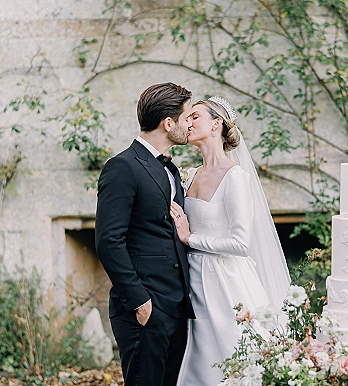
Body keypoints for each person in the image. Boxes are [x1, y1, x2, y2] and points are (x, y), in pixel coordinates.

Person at [171, 96, 291, 385]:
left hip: (225, 282)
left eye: (194, 116)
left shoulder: (235, 177)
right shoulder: (189, 176)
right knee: (197, 361)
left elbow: (240, 243)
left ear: (216, 124)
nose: (187, 122)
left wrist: (190, 238)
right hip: (192, 282)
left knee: (231, 355)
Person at [95, 82, 196, 386]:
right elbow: (108, 240)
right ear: (169, 123)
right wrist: (140, 301)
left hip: (176, 307)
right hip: (145, 308)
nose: (189, 124)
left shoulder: (171, 169)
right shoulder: (122, 167)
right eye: (187, 117)